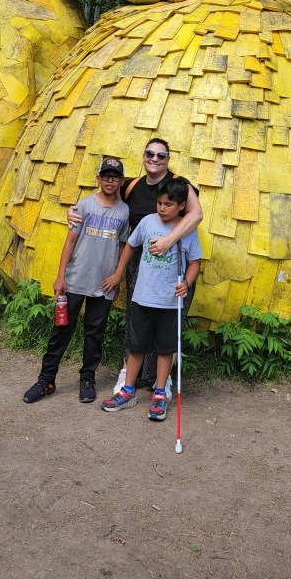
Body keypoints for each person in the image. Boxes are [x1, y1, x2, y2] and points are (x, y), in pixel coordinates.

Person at [68, 138, 202, 397]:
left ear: (168, 159)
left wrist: (167, 241)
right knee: (138, 317)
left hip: (173, 257)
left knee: (167, 321)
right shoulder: (131, 185)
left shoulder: (179, 184)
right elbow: (104, 198)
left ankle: (159, 380)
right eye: (150, 153)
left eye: (161, 155)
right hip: (140, 259)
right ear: (143, 156)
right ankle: (129, 373)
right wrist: (74, 212)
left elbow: (196, 216)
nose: (155, 158)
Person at [23, 159, 130, 404]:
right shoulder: (84, 205)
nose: (110, 181)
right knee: (61, 330)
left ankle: (87, 377)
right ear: (98, 179)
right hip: (76, 279)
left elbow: (124, 245)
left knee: (95, 333)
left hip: (104, 284)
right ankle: (46, 379)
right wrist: (61, 276)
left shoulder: (124, 212)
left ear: (121, 181)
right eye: (106, 176)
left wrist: (118, 275)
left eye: (115, 177)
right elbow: (70, 241)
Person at [99, 177, 202, 421]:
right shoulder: (146, 223)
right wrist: (118, 272)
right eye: (159, 203)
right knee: (136, 346)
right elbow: (131, 246)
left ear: (181, 207)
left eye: (168, 204)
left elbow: (195, 263)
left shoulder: (186, 232)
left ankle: (159, 393)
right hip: (142, 298)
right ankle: (128, 390)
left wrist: (186, 283)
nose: (162, 208)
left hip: (168, 302)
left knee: (165, 349)